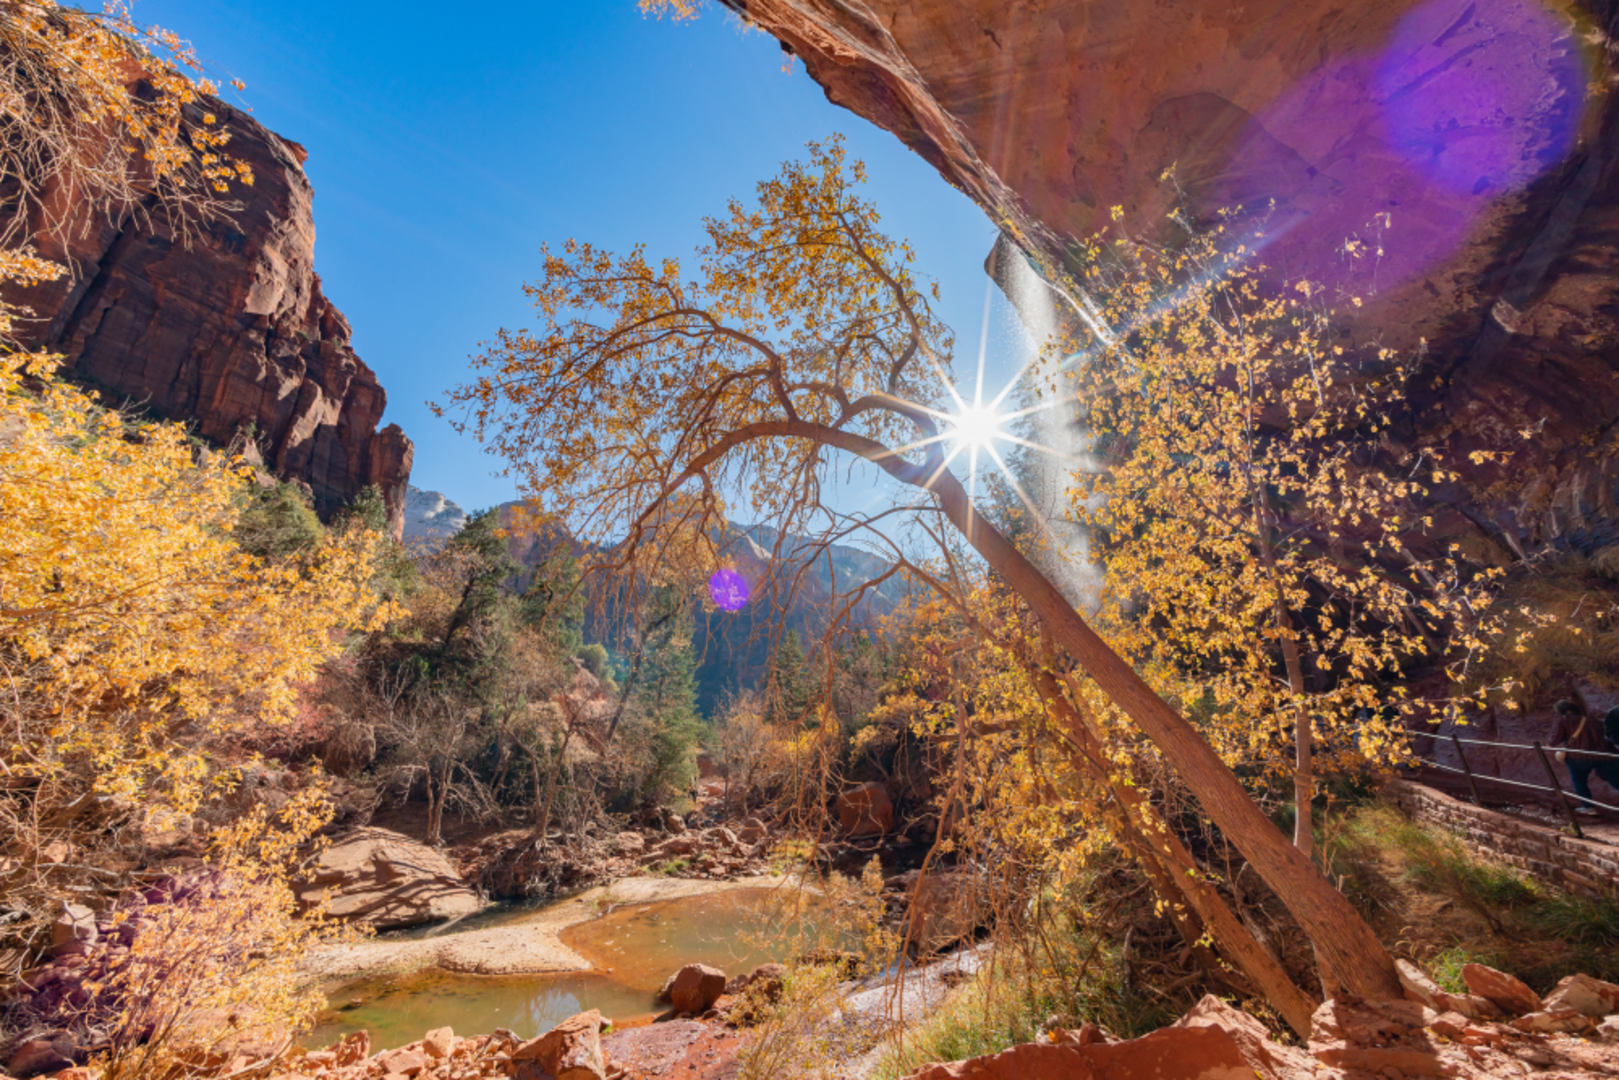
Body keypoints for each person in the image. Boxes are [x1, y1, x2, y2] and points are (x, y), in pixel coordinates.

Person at [1548, 699, 1619, 812]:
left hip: (1578, 757)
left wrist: (1550, 745)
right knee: (1616, 780)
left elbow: (1554, 740)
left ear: (1562, 711)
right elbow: (1605, 738)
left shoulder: (1564, 720)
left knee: (1579, 781)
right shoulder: (1595, 721)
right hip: (1601, 756)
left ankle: (1589, 807)